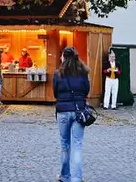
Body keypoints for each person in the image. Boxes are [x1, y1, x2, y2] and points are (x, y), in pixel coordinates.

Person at [53, 46, 90, 182]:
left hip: (63, 110)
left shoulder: (58, 73)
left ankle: (65, 176)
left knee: (65, 145)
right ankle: (76, 178)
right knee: (77, 145)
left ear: (64, 57)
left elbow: (55, 92)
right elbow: (86, 90)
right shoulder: (83, 72)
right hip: (79, 111)